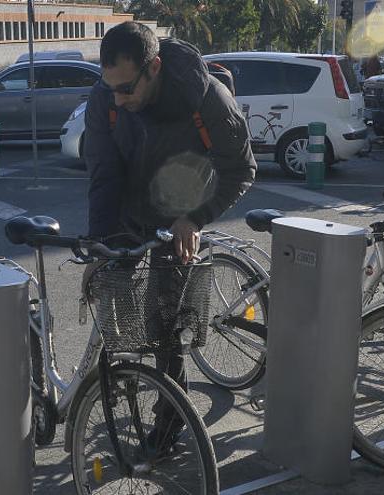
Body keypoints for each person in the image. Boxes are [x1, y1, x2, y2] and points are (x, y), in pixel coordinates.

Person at [84, 21, 256, 456]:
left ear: (154, 67)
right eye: (111, 89)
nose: (118, 100)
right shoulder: (105, 97)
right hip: (127, 212)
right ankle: (121, 383)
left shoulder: (208, 100)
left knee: (165, 329)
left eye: (126, 89)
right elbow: (104, 174)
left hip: (177, 219)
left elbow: (240, 170)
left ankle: (168, 425)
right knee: (114, 305)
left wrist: (195, 218)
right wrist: (99, 245)